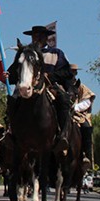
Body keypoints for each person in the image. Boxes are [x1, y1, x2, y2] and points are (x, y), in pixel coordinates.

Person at [8, 25, 72, 154]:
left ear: (46, 37)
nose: (37, 38)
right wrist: (9, 75)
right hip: (27, 85)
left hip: (49, 86)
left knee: (64, 100)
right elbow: (14, 72)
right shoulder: (24, 53)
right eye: (34, 35)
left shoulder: (56, 53)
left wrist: (51, 76)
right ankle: (11, 132)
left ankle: (62, 135)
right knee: (12, 99)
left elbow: (67, 72)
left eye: (40, 35)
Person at [68, 64, 95, 170]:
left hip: (78, 115)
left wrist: (76, 107)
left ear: (76, 73)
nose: (72, 73)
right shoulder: (61, 85)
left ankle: (86, 155)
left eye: (73, 71)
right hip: (64, 112)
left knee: (86, 127)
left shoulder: (81, 87)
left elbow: (88, 100)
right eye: (70, 71)